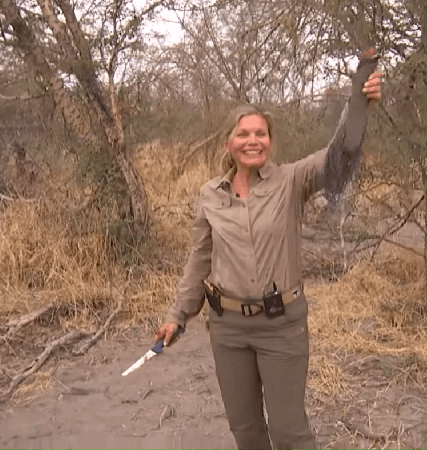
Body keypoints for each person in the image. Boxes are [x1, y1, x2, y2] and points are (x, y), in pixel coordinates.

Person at [153, 50, 382, 450]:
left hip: (281, 326)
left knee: (289, 433)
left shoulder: (291, 181)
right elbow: (199, 261)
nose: (252, 141)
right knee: (246, 432)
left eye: (260, 134)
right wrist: (177, 316)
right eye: (243, 134)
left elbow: (341, 155)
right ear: (228, 143)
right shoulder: (210, 196)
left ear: (271, 142)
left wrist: (359, 100)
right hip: (227, 329)